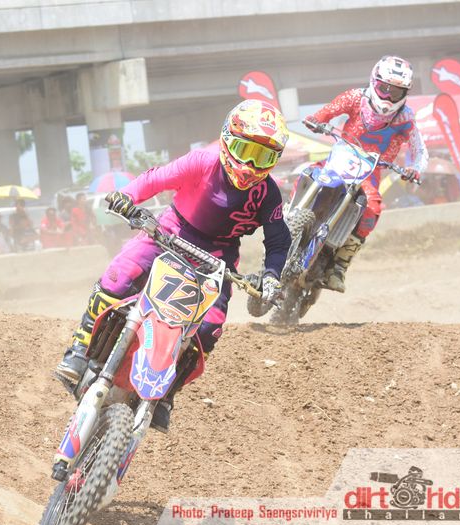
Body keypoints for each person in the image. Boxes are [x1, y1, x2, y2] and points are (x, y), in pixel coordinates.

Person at [55, 99, 291, 432]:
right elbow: (157, 178)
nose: (251, 165)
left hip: (218, 257)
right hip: (169, 231)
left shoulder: (268, 194)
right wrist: (128, 196)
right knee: (119, 275)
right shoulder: (202, 161)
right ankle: (79, 349)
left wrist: (271, 276)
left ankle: (165, 394)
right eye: (245, 151)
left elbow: (279, 239)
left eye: (263, 157)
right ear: (227, 140)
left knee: (209, 329)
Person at [304, 55, 427, 292]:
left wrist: (415, 169)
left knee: (372, 209)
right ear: (374, 82)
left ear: (405, 93)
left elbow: (419, 149)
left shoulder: (406, 117)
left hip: (370, 172)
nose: (388, 97)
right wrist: (315, 119)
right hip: (341, 157)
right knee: (309, 174)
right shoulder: (355, 97)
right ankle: (288, 221)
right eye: (384, 88)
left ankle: (339, 266)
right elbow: (328, 111)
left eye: (396, 92)